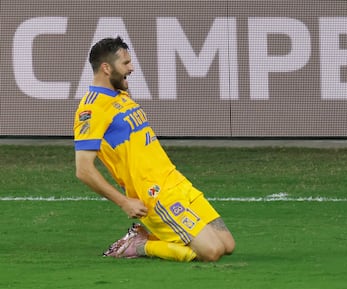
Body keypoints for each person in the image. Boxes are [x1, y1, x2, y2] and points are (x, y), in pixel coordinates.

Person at [73, 36, 235, 262]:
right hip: (153, 193)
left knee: (227, 245)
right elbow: (83, 169)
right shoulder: (91, 109)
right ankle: (140, 246)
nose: (132, 68)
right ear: (106, 68)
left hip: (174, 180)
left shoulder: (121, 95)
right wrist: (124, 201)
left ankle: (147, 234)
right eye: (126, 63)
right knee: (211, 252)